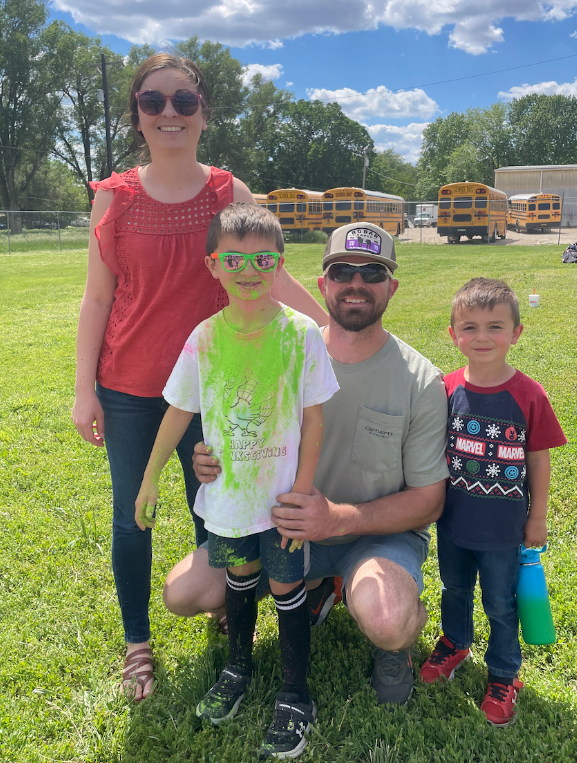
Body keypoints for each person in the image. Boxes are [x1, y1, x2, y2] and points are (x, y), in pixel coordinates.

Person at [71, 53, 327, 701]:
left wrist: (334, 328)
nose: (169, 114)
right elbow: (97, 297)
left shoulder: (227, 192)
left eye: (183, 101)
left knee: (211, 506)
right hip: (128, 389)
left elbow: (268, 270)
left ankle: (224, 601)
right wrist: (83, 390)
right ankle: (137, 645)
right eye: (153, 102)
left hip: (218, 391)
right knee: (135, 515)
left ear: (204, 113)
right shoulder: (112, 195)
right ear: (137, 114)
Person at [164, 221, 450, 706]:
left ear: (391, 287)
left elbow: (429, 501)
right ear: (322, 284)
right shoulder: (285, 344)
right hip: (277, 527)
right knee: (184, 593)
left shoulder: (420, 379)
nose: (356, 283)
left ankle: (393, 640)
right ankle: (317, 585)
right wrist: (211, 456)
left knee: (387, 619)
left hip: (373, 537)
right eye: (342, 271)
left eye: (372, 273)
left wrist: (337, 518)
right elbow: (233, 420)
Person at [135, 203, 339, 759]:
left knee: (284, 587)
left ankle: (296, 692)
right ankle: (238, 668)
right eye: (235, 259)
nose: (248, 270)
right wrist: (151, 477)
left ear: (278, 263)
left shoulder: (301, 335)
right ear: (213, 266)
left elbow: (316, 416)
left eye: (262, 259)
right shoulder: (204, 338)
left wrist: (303, 488)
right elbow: (178, 411)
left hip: (281, 504)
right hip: (227, 500)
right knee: (240, 578)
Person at [419, 278, 566, 726]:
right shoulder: (443, 388)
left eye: (495, 327)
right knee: (454, 589)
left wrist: (536, 517)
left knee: (501, 604)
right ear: (453, 334)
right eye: (469, 327)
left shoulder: (529, 395)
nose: (481, 337)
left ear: (516, 333)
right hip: (453, 521)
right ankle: (456, 642)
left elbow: (538, 461)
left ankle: (504, 673)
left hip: (503, 530)